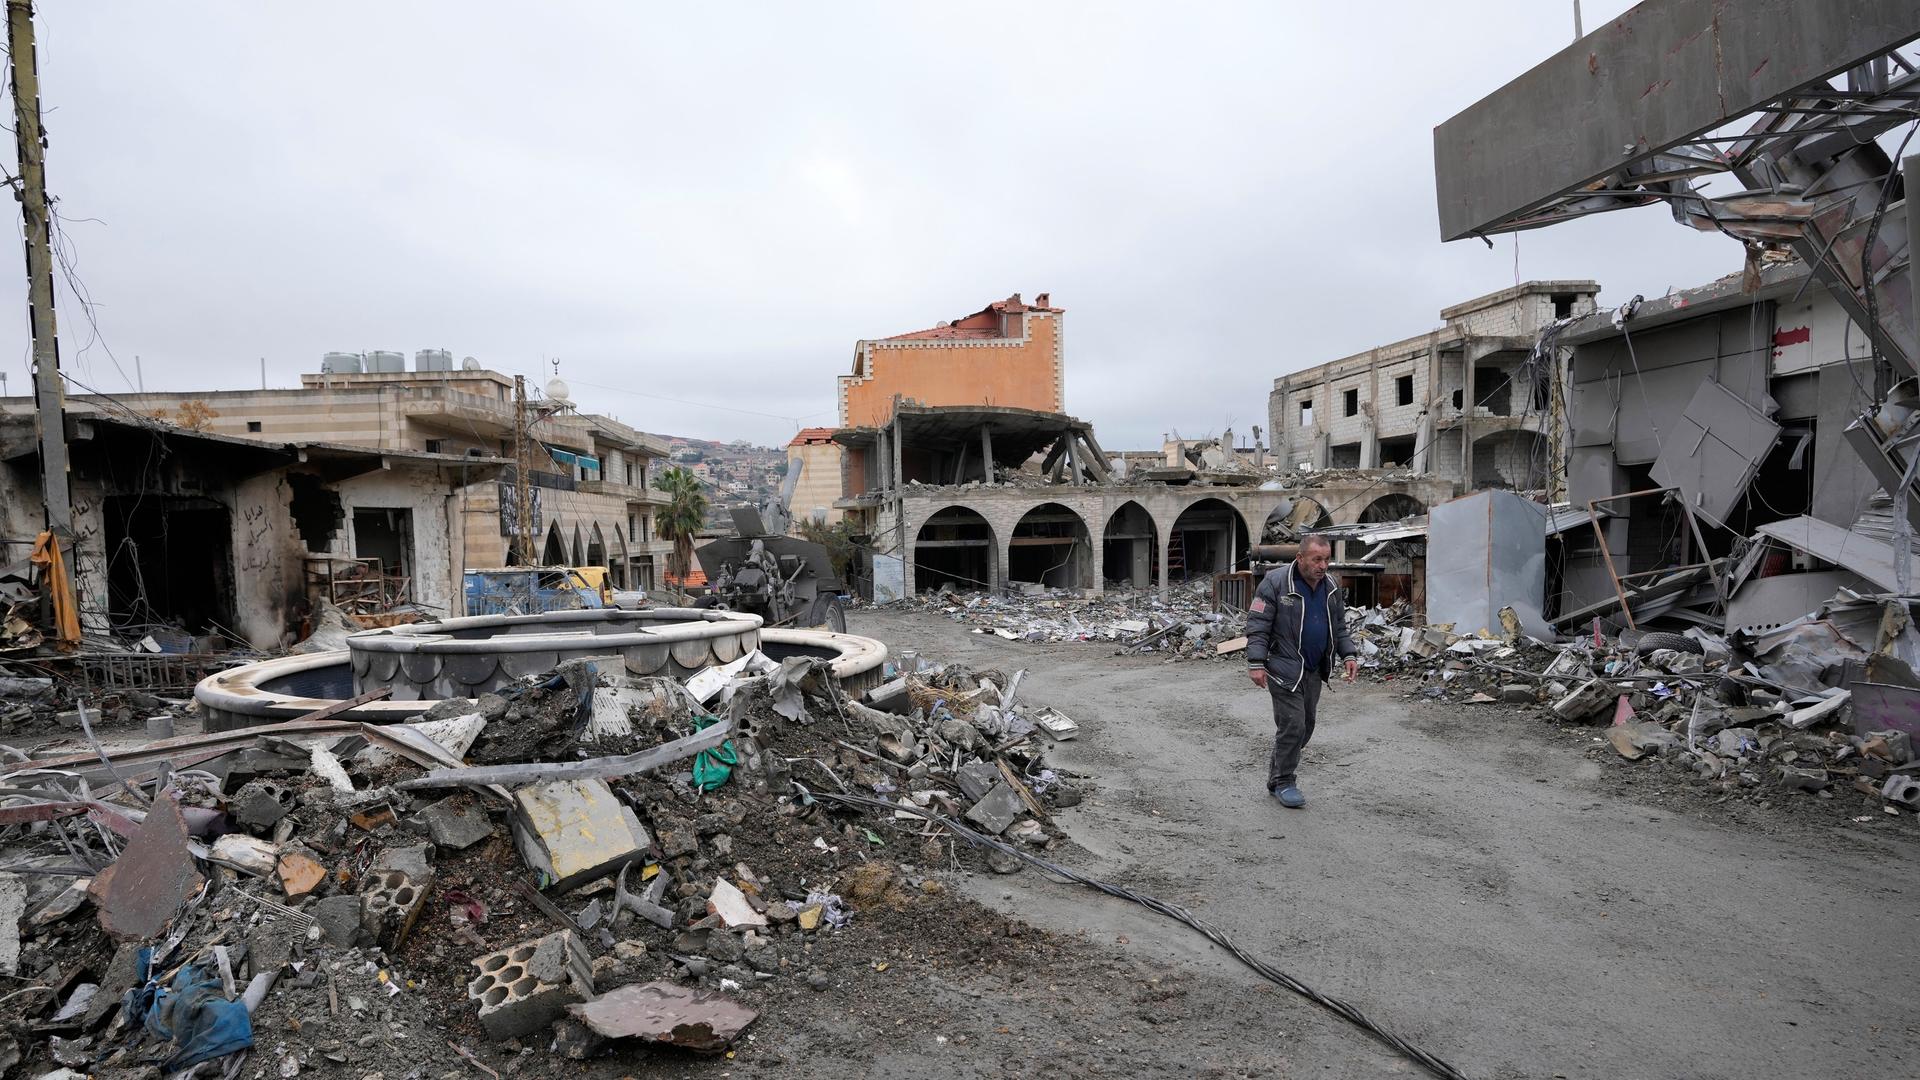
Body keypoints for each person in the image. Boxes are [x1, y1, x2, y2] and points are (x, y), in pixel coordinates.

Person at [1244, 534, 1357, 808]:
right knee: (1293, 725)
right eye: (1317, 559)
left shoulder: (1330, 586)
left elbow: (1339, 626)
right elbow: (1257, 626)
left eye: (1327, 559)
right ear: (1300, 558)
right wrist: (1256, 663)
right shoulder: (1275, 583)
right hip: (1283, 667)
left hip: (1314, 669)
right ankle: (1284, 781)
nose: (1323, 565)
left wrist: (1348, 654)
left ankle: (1277, 772)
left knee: (1306, 727)